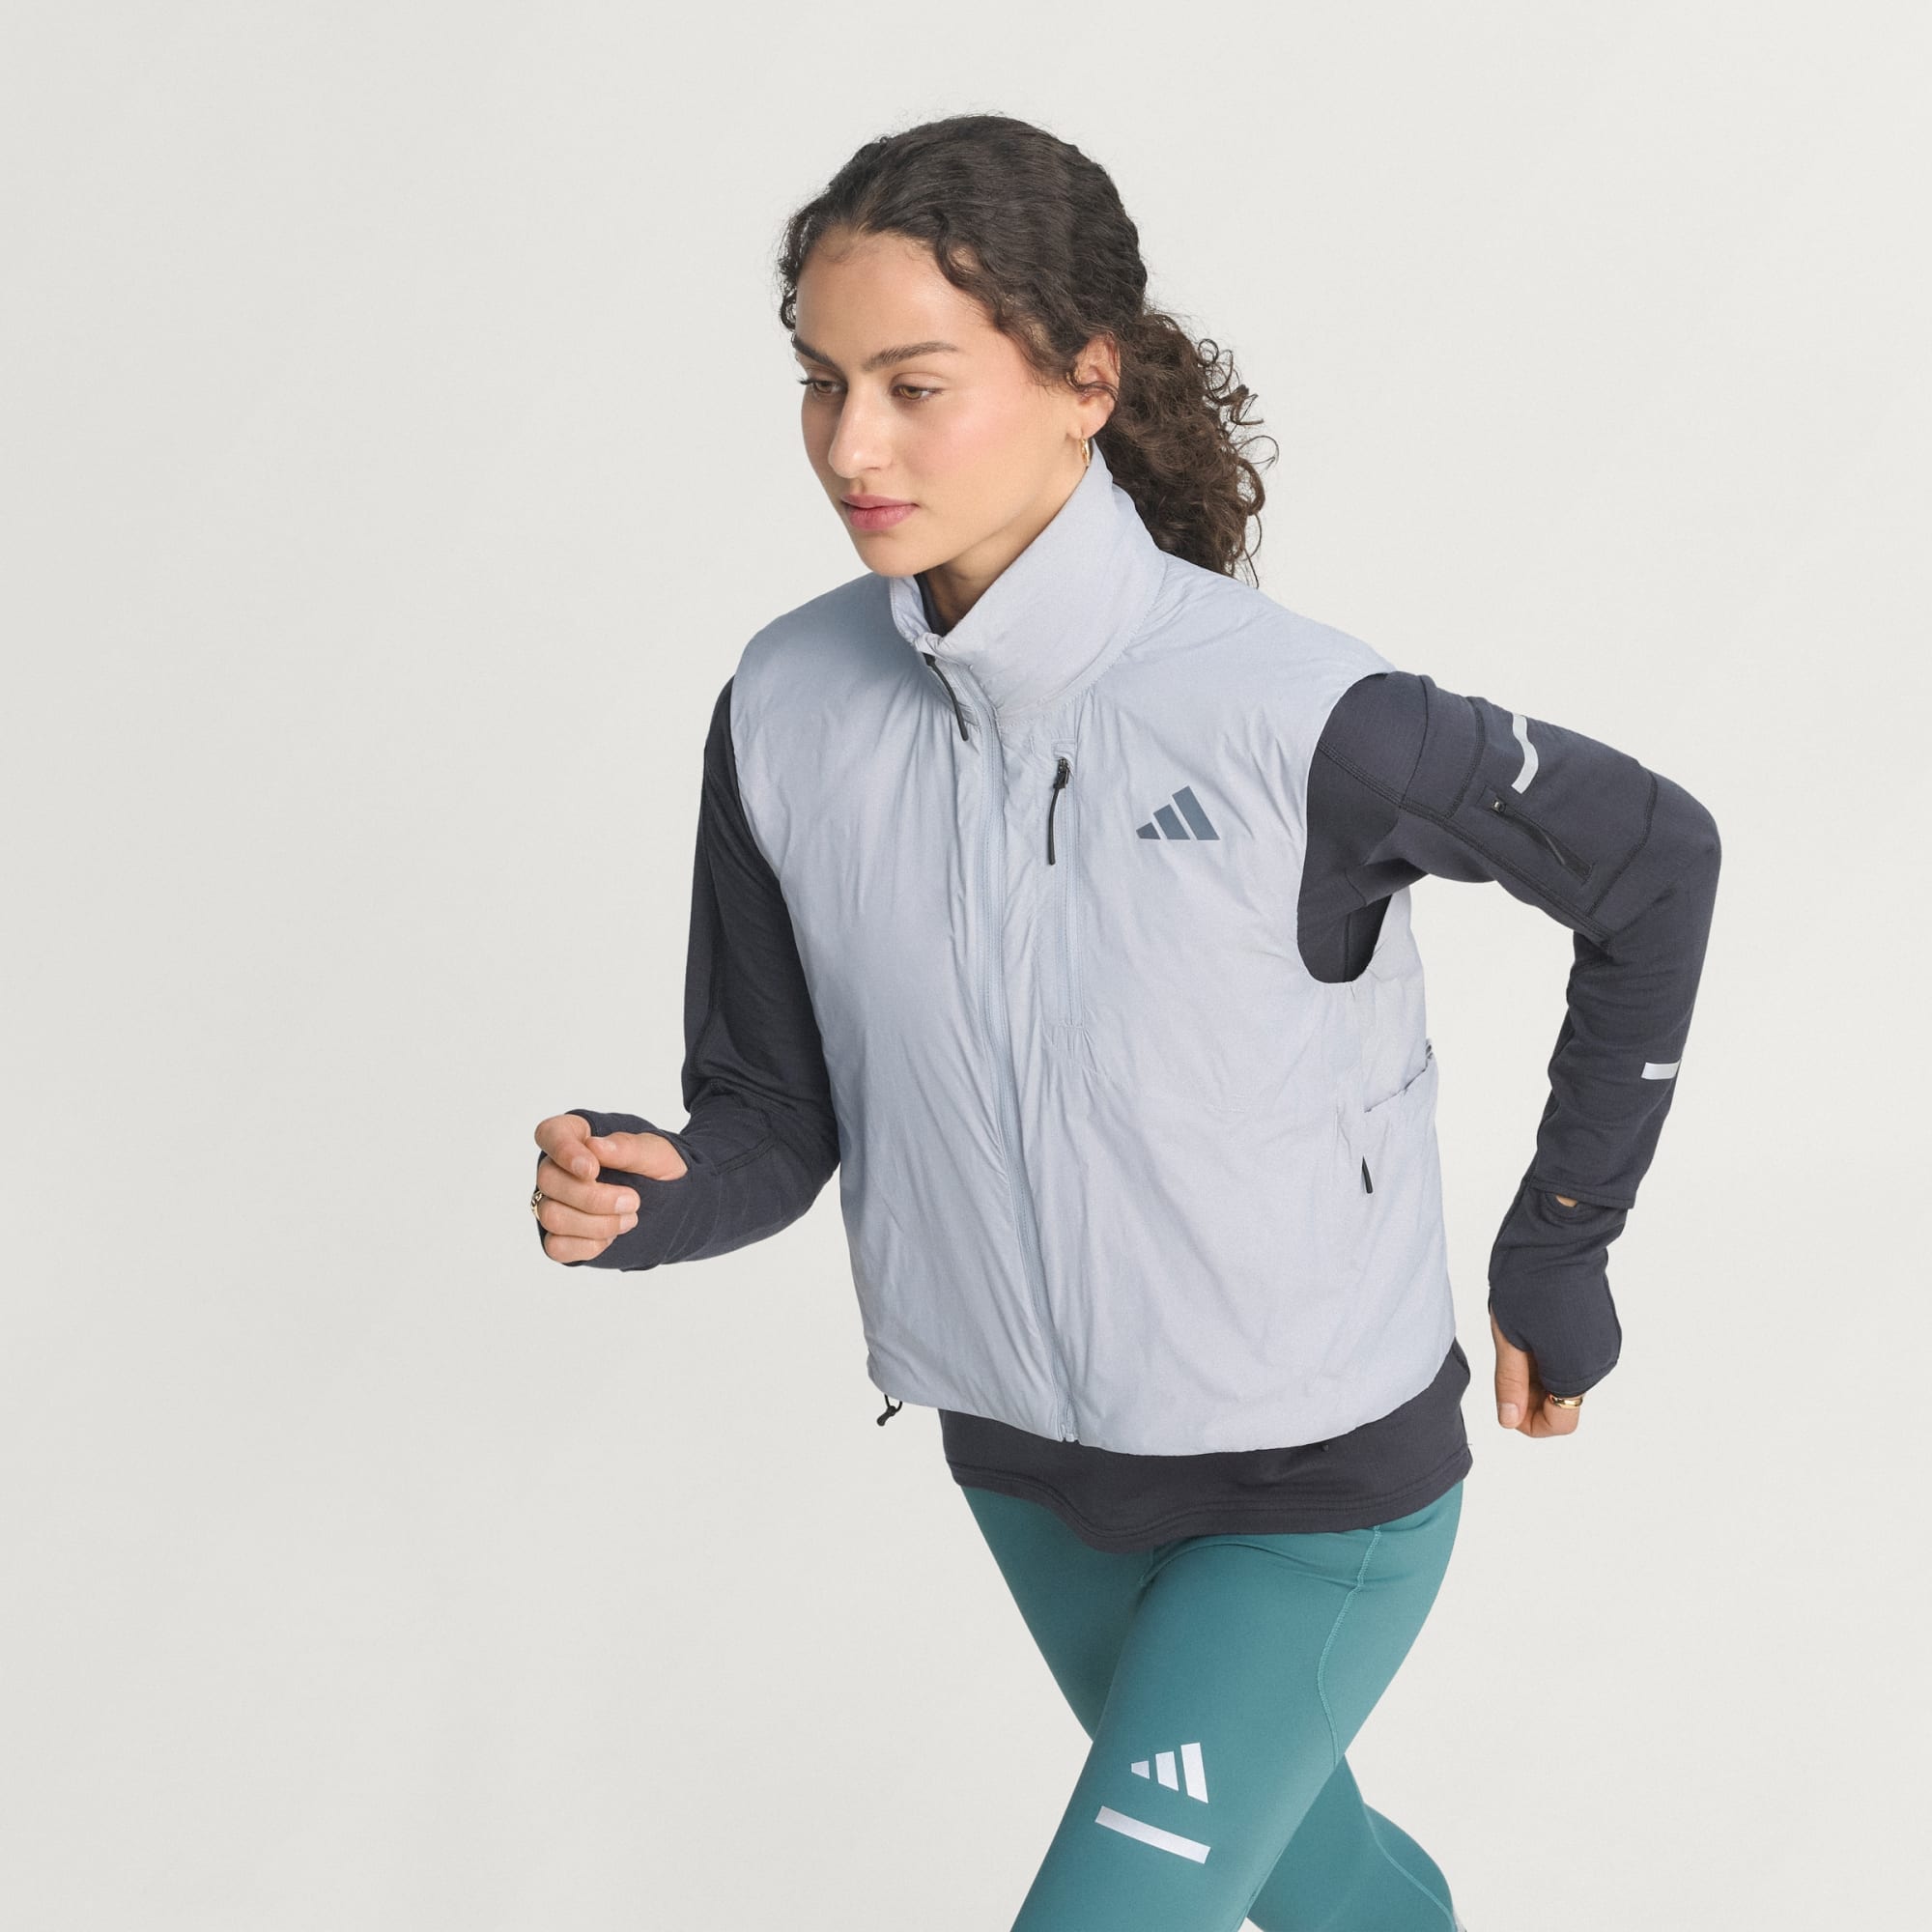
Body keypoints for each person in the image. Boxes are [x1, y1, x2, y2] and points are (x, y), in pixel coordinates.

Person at [528, 113, 1720, 1932]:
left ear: (1085, 382)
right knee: (1329, 1891)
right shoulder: (785, 707)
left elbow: (1653, 862)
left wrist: (1561, 1245)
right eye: (822, 383)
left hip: (1313, 1492)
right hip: (1024, 1469)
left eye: (915, 386)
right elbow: (774, 1107)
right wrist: (657, 1192)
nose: (850, 447)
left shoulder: (1299, 717)